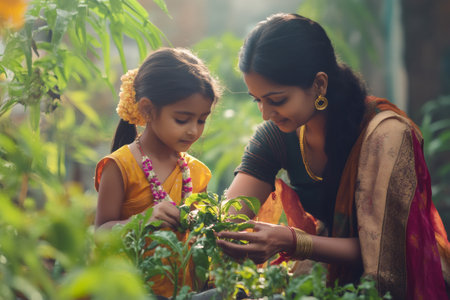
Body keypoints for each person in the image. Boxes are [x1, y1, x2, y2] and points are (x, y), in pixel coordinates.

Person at [215, 13, 450, 299]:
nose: (265, 113)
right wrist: (214, 225)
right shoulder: (277, 133)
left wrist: (292, 241)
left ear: (320, 85)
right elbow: (231, 216)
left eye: (276, 100)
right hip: (325, 276)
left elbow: (387, 254)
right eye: (258, 100)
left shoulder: (384, 136)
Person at [94, 47, 221, 297]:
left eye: (202, 120)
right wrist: (143, 220)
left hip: (186, 290)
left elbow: (200, 242)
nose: (193, 131)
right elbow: (99, 236)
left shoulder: (197, 173)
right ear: (148, 110)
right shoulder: (120, 166)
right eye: (182, 119)